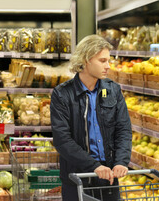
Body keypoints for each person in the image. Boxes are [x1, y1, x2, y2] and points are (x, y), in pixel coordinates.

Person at [50, 34, 132, 200]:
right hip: (77, 176)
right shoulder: (62, 94)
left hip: (108, 176)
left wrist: (121, 161)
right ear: (86, 60)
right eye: (102, 61)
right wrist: (94, 166)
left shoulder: (113, 90)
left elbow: (123, 129)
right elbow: (62, 140)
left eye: (108, 61)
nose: (108, 66)